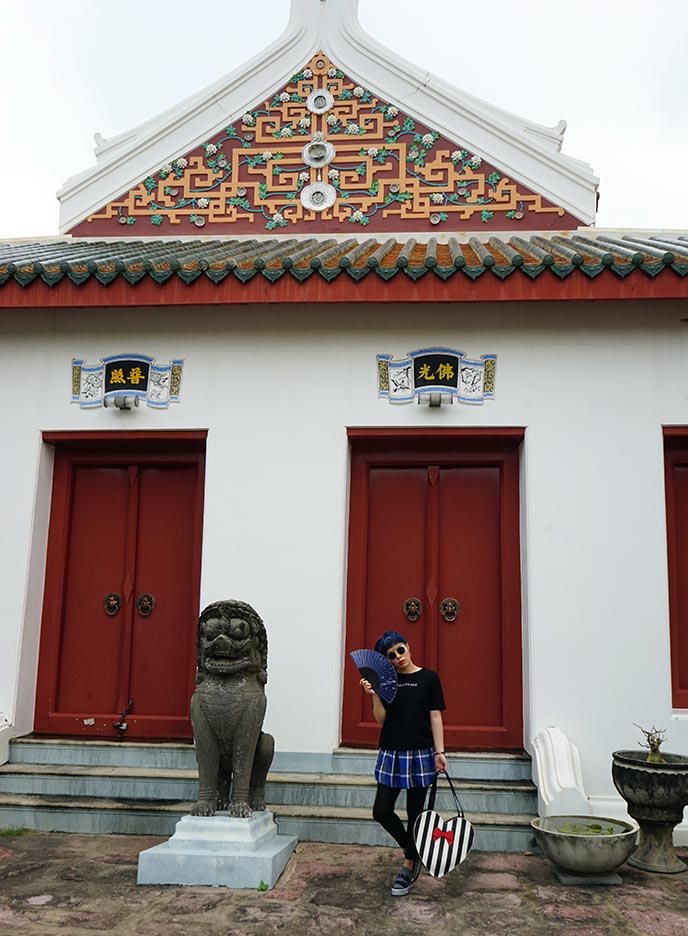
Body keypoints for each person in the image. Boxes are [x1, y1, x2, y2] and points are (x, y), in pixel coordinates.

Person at [360, 630, 447, 897]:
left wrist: (440, 752)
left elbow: (435, 717)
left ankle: (408, 866)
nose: (398, 657)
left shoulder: (429, 678)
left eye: (400, 650)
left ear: (408, 647)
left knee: (415, 813)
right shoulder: (388, 681)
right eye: (391, 655)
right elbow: (380, 719)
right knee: (381, 810)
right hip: (391, 753)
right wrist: (375, 694)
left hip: (421, 753)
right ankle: (412, 850)